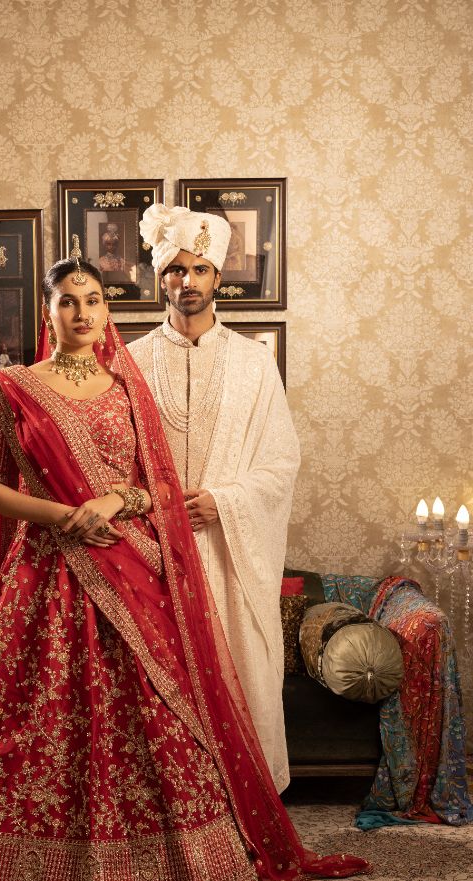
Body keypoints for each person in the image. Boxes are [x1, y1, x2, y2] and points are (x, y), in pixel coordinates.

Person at [0, 253, 368, 881]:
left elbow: (155, 487)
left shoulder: (126, 388)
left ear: (108, 311)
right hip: (43, 578)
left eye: (94, 300)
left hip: (129, 567)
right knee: (23, 728)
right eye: (67, 301)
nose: (81, 313)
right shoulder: (12, 387)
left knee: (161, 725)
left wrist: (114, 501)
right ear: (46, 313)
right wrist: (61, 514)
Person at [129, 205, 299, 793]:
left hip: (228, 556)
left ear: (218, 278)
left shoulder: (255, 362)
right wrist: (155, 510)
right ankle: (173, 815)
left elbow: (281, 463)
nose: (188, 282)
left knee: (239, 671)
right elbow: (111, 457)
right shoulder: (130, 361)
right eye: (176, 270)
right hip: (151, 553)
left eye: (200, 269)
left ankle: (243, 806)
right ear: (160, 279)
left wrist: (223, 501)